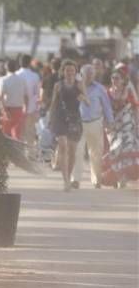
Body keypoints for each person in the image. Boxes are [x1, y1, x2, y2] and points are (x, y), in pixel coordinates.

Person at [71, 64, 114, 188]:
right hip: (78, 124)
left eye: (91, 75)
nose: (89, 77)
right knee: (77, 151)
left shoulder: (100, 88)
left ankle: (96, 180)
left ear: (94, 75)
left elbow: (106, 106)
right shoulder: (75, 87)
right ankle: (76, 179)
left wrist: (110, 121)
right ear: (82, 75)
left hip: (95, 123)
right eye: (87, 75)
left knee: (96, 153)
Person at [49, 59, 88, 192]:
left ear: (76, 72)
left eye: (72, 70)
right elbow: (53, 103)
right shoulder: (58, 85)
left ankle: (69, 175)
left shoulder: (79, 84)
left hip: (75, 119)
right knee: (63, 146)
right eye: (67, 70)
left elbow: (87, 101)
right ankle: (66, 180)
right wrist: (50, 118)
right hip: (60, 117)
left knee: (72, 151)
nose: (70, 72)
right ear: (63, 72)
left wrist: (82, 97)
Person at [103, 69, 139, 188]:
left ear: (123, 80)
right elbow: (104, 109)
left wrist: (137, 123)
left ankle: (125, 176)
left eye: (117, 78)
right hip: (113, 126)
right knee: (116, 150)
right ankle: (117, 176)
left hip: (128, 125)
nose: (114, 80)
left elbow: (135, 107)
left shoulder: (128, 91)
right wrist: (106, 124)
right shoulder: (107, 93)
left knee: (127, 148)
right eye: (113, 78)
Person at [0, 59, 29, 139]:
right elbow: (26, 96)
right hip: (19, 109)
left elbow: (1, 97)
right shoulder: (22, 80)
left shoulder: (3, 80)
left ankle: (6, 151)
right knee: (17, 135)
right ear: (16, 67)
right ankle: (16, 151)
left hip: (8, 110)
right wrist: (26, 108)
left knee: (6, 134)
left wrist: (4, 110)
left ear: (6, 67)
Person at [16, 54, 42, 145]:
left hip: (17, 108)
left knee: (19, 133)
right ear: (30, 63)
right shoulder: (35, 76)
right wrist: (37, 108)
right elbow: (37, 94)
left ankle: (20, 156)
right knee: (30, 133)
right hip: (31, 108)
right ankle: (30, 155)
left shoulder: (16, 75)